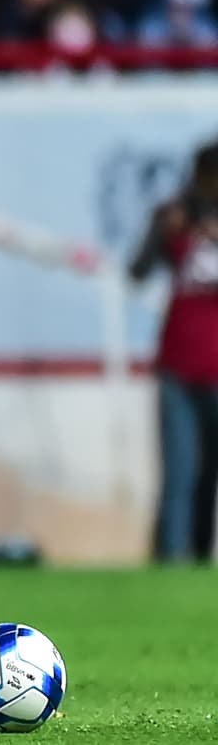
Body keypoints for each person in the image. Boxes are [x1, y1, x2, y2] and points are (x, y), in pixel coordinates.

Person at [130, 140, 218, 563]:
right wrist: (164, 230)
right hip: (178, 367)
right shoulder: (176, 216)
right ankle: (171, 563)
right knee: (179, 472)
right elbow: (137, 271)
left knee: (209, 477)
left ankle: (200, 561)